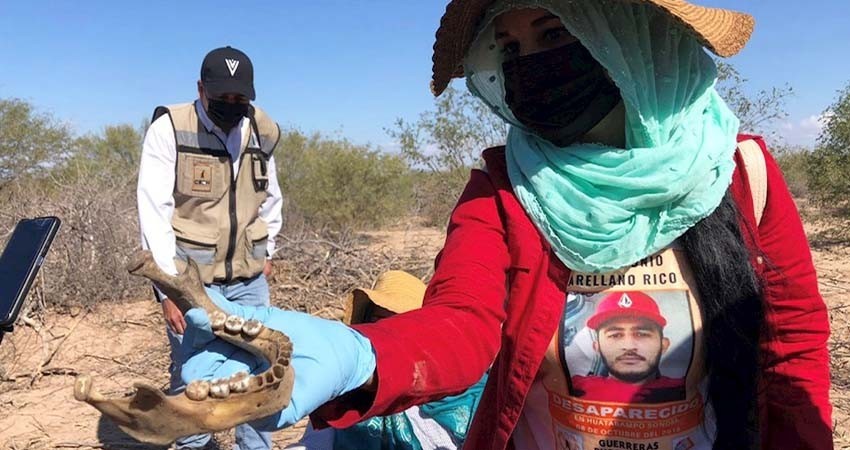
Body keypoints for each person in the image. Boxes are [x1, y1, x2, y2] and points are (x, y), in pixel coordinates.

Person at [180, 2, 832, 449]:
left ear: (630, 38)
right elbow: (463, 322)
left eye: (553, 34)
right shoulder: (503, 186)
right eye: (511, 47)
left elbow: (793, 349)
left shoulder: (741, 172)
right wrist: (364, 357)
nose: (528, 63)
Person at [137, 46, 282, 450]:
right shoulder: (170, 129)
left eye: (240, 99)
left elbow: (270, 197)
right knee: (194, 375)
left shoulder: (262, 130)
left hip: (250, 280)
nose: (232, 106)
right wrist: (168, 289)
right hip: (192, 281)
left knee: (259, 373)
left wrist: (267, 251)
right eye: (222, 97)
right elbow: (153, 210)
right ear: (201, 88)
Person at [286, 270, 486, 450]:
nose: (388, 333)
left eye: (401, 325)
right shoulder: (346, 396)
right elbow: (314, 443)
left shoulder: (468, 398)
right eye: (379, 322)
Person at [570, 291, 685, 404]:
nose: (629, 346)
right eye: (616, 335)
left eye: (641, 334)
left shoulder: (683, 388)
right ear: (597, 347)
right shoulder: (576, 387)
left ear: (663, 345)